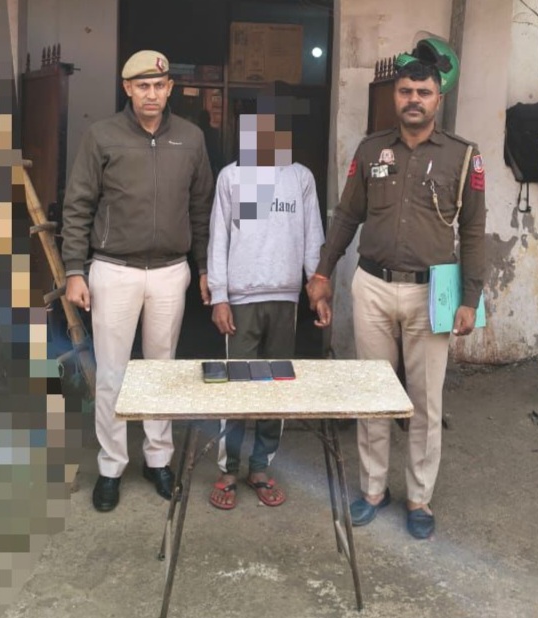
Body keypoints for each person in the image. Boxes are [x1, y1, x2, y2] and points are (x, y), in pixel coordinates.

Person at [306, 42, 486, 539]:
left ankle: (419, 498)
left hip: (432, 294)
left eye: (423, 92)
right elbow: (346, 216)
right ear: (395, 96)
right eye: (406, 91)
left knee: (425, 402)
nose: (413, 99)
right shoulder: (371, 150)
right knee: (373, 393)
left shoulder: (463, 156)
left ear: (438, 98)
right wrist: (323, 273)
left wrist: (471, 299)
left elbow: (473, 230)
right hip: (373, 287)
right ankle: (372, 489)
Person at [61, 50, 214, 512]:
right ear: (127, 88)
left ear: (170, 89)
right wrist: (74, 270)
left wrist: (205, 267)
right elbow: (78, 205)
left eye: (159, 85)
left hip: (170, 271)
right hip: (114, 270)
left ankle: (158, 458)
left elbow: (202, 209)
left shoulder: (190, 138)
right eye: (142, 85)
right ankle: (111, 466)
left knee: (161, 370)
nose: (151, 94)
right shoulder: (102, 136)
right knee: (112, 373)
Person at [206, 94, 329, 510]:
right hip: (241, 298)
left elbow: (313, 236)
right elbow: (218, 239)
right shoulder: (231, 177)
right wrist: (219, 297)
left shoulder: (300, 178)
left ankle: (260, 467)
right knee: (238, 386)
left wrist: (317, 288)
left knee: (275, 386)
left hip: (285, 298)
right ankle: (229, 468)